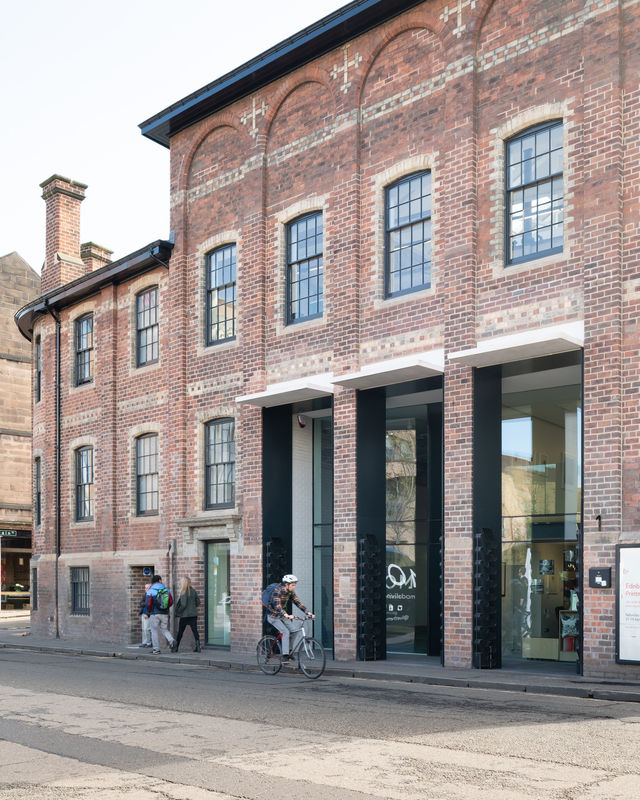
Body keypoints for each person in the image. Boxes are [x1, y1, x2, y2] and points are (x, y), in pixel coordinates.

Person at [265, 574, 315, 662]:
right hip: (273, 616)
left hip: (282, 616)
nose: (294, 587)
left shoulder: (290, 592)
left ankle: (289, 651)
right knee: (285, 632)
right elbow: (277, 606)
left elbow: (297, 602)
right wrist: (286, 615)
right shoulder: (277, 591)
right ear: (286, 585)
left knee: (294, 631)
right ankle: (285, 655)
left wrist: (308, 612)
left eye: (294, 585)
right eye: (292, 585)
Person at [143, 574, 177, 655]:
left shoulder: (151, 590)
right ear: (159, 580)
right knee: (164, 629)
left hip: (154, 614)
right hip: (164, 613)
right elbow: (171, 602)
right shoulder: (166, 590)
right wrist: (165, 609)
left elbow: (148, 604)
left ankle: (156, 649)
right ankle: (172, 641)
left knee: (154, 631)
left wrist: (147, 613)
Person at [174, 576, 201, 653]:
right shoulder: (193, 591)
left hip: (184, 615)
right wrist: (192, 606)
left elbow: (183, 604)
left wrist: (178, 611)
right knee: (195, 631)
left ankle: (176, 647)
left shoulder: (183, 592)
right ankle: (198, 646)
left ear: (183, 583)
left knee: (180, 632)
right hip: (193, 614)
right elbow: (198, 602)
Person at [138, 582, 152, 647]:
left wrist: (147, 614)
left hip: (147, 614)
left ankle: (149, 643)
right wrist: (144, 604)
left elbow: (150, 606)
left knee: (147, 629)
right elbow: (141, 603)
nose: (146, 589)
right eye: (145, 588)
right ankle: (144, 642)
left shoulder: (151, 595)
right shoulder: (145, 595)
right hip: (143, 613)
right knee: (143, 629)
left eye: (147, 588)